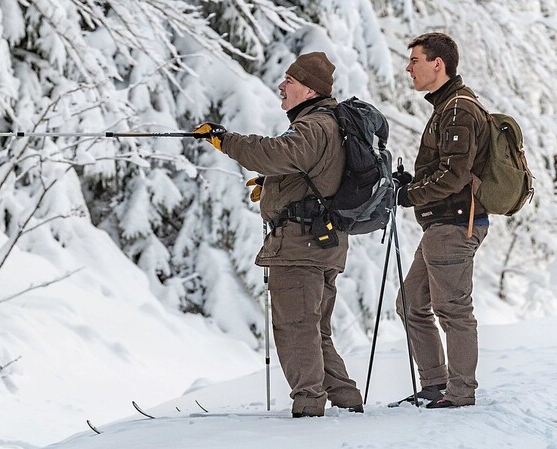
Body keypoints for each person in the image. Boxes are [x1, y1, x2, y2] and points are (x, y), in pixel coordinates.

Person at [194, 52, 364, 418]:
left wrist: (226, 141)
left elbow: (277, 152)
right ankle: (347, 403)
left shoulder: (314, 124)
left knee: (295, 328)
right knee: (315, 330)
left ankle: (308, 409)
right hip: (322, 244)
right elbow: (309, 171)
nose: (281, 86)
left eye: (289, 80)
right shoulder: (328, 123)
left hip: (301, 247)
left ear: (309, 88)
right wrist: (276, 187)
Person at [393, 32, 490, 409]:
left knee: (453, 310)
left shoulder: (457, 110)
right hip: (443, 224)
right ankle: (436, 383)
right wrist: (412, 183)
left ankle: (461, 392)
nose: (408, 67)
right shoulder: (447, 107)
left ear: (439, 64)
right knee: (411, 304)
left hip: (455, 224)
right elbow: (447, 168)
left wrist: (410, 195)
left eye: (415, 60)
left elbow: (454, 175)